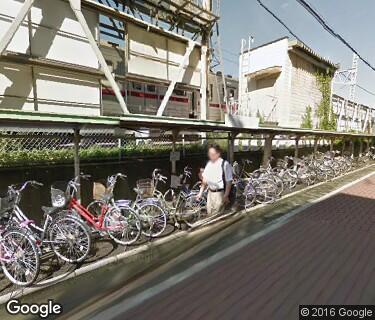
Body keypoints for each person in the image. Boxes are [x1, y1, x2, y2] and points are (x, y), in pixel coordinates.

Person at [197, 144, 233, 216]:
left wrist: (226, 195)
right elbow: (205, 179)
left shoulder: (225, 164)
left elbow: (229, 181)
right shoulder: (209, 164)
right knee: (210, 214)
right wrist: (200, 193)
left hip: (219, 194)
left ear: (218, 154)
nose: (210, 156)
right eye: (209, 154)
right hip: (210, 193)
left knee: (217, 216)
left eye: (212, 154)